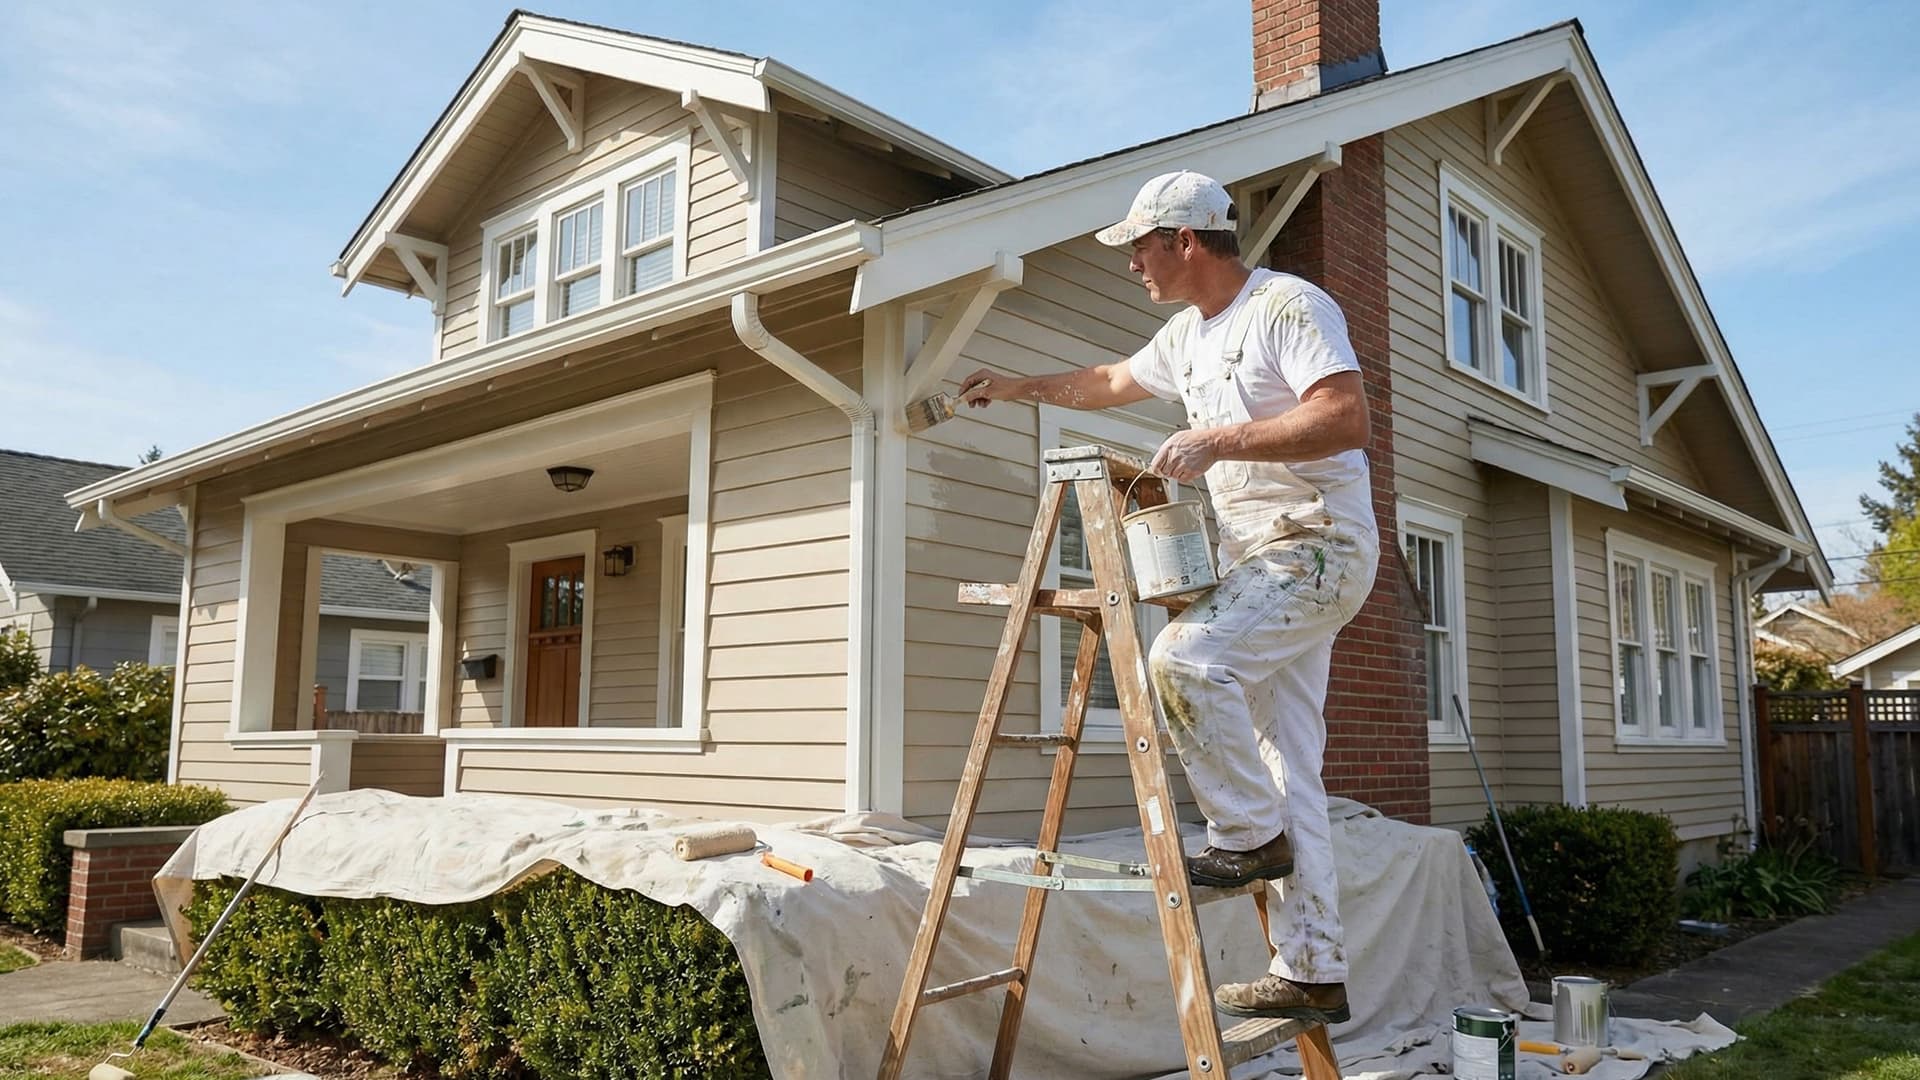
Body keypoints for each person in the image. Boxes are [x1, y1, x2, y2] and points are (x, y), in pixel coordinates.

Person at [958, 170, 1379, 1025]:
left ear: (1186, 239)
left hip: (1318, 546)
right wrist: (1015, 386)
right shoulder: (1186, 337)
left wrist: (1221, 439)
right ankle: (1313, 968)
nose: (1131, 266)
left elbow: (1345, 418)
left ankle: (1245, 840)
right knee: (1289, 768)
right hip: (1255, 561)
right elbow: (1111, 380)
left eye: (1139, 247)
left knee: (1185, 659)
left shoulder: (1288, 306)